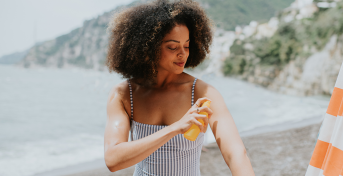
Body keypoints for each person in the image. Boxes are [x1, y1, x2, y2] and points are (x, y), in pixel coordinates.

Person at [103, 0, 254, 175]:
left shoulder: (202, 93)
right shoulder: (124, 94)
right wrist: (175, 128)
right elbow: (112, 160)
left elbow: (236, 154)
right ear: (148, 48)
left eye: (187, 46)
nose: (182, 53)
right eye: (173, 47)